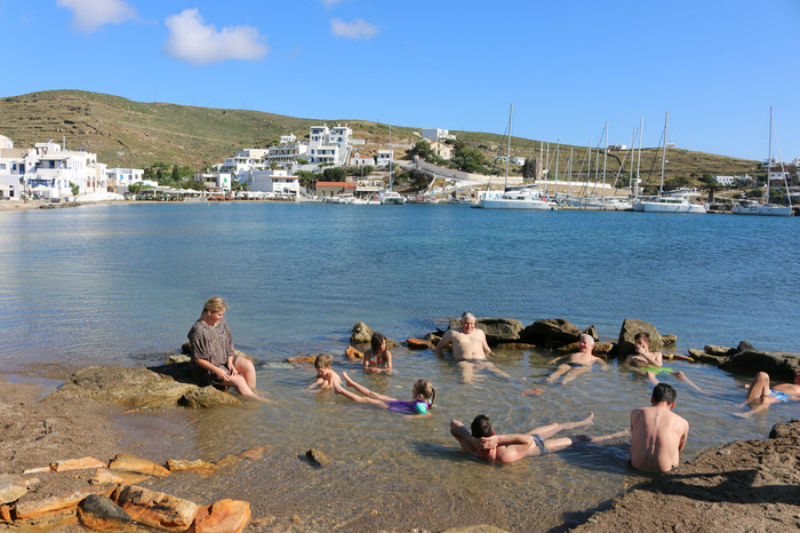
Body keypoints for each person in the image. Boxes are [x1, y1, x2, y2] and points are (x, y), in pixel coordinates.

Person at [450, 412, 627, 464]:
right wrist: (500, 439)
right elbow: (528, 440)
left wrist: (472, 440)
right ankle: (616, 435)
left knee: (558, 425)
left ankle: (584, 420)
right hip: (541, 447)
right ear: (494, 433)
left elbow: (454, 423)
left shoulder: (469, 446)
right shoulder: (503, 455)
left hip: (529, 439)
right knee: (580, 439)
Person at [187, 297, 266, 401]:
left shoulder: (221, 323)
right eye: (219, 314)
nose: (222, 317)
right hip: (209, 369)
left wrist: (230, 363)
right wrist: (217, 370)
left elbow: (229, 344)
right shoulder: (198, 331)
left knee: (248, 365)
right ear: (210, 312)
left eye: (223, 314)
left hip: (224, 359)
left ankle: (251, 392)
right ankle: (256, 401)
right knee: (240, 380)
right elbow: (198, 359)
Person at [435, 312, 511, 383]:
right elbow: (439, 348)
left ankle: (516, 381)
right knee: (466, 380)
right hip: (464, 361)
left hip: (482, 360)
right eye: (466, 323)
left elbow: (487, 349)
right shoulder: (452, 333)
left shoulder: (480, 333)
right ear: (461, 323)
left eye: (471, 324)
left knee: (499, 374)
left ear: (474, 324)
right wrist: (443, 361)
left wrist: (495, 356)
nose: (469, 326)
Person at [629, 383, 689, 473]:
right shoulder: (682, 422)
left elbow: (633, 435)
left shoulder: (636, 413)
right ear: (673, 405)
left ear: (652, 399)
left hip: (636, 465)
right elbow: (680, 448)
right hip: (664, 470)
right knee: (676, 448)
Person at [625, 332, 703, 392]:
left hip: (660, 370)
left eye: (640, 343)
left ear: (647, 344)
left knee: (680, 373)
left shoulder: (656, 354)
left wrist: (644, 353)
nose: (637, 345)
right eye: (636, 343)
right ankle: (663, 393)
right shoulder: (631, 357)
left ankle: (699, 390)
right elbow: (625, 367)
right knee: (649, 374)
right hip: (646, 371)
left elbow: (659, 365)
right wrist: (638, 370)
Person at [334, 371, 435, 415]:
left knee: (367, 399)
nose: (412, 392)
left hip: (393, 408)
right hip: (399, 402)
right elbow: (430, 404)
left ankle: (341, 391)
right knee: (373, 394)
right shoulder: (427, 399)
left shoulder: (419, 407)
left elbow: (425, 413)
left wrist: (410, 417)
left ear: (420, 396)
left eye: (414, 391)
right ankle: (351, 383)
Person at [734, 371, 800, 417]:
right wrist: (752, 386)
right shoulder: (788, 384)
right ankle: (745, 403)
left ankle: (748, 413)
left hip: (784, 396)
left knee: (767, 399)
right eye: (798, 372)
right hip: (770, 391)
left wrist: (790, 398)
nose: (798, 373)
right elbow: (769, 387)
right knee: (762, 375)